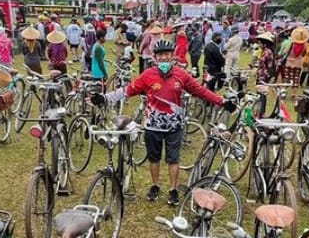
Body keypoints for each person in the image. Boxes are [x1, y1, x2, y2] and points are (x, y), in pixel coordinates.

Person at [93, 39, 236, 206]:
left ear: (172, 56)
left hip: (175, 126)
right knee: (154, 159)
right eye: (160, 55)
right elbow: (127, 91)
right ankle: (155, 186)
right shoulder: (147, 75)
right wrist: (104, 98)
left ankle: (173, 189)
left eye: (166, 54)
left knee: (173, 159)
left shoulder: (181, 75)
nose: (163, 58)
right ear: (155, 57)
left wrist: (222, 101)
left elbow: (201, 91)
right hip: (153, 126)